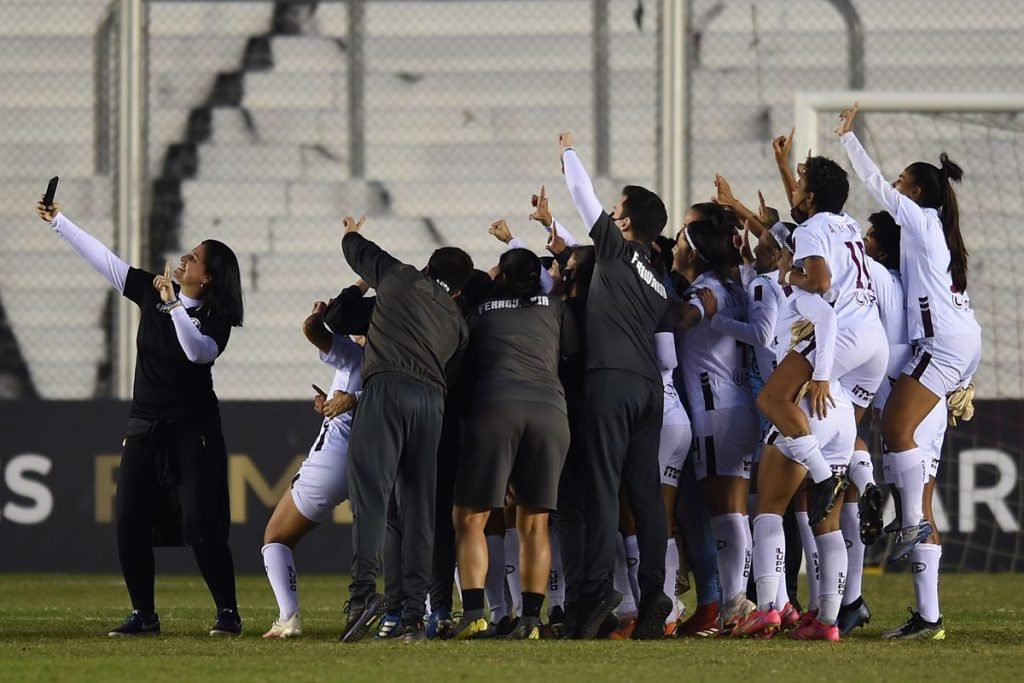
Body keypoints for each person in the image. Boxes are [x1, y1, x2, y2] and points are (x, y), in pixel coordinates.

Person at [35, 198, 244, 637]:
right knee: (129, 520)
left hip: (193, 430)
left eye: (195, 257)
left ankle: (228, 611)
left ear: (207, 277)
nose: (184, 257)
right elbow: (105, 261)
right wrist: (59, 222)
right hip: (145, 423)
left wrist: (172, 306)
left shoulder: (215, 317)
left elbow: (197, 353)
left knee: (201, 526)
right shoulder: (153, 289)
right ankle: (144, 614)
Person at [839, 105, 978, 639]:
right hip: (957, 346)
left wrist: (849, 141)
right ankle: (928, 617)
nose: (895, 187)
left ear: (916, 193)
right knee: (913, 464)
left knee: (895, 430)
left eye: (903, 182)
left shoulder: (919, 219)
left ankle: (908, 517)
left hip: (940, 346)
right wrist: (967, 378)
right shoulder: (938, 231)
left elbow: (875, 186)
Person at [559, 131, 675, 640]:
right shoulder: (658, 276)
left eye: (616, 209)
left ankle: (595, 591)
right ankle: (654, 592)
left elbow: (583, 197)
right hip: (650, 390)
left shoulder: (616, 252)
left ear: (624, 223)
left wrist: (568, 152)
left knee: (603, 487)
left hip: (609, 379)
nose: (609, 212)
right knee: (646, 495)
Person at [338, 215, 474, 644]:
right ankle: (415, 616)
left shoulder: (399, 277)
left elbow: (355, 252)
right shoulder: (458, 323)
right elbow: (452, 372)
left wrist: (350, 231)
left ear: (428, 266)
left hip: (387, 390)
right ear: (458, 289)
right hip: (431, 403)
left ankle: (362, 598)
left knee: (372, 498)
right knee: (418, 511)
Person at [451, 248, 578, 640]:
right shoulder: (556, 308)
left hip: (494, 410)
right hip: (549, 413)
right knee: (535, 523)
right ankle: (530, 621)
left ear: (502, 276)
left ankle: (474, 614)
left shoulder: (482, 312)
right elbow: (571, 355)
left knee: (470, 519)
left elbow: (464, 365)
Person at [260, 291, 365, 639]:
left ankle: (288, 617)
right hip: (381, 459)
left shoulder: (353, 354)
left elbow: (310, 328)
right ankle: (431, 612)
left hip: (335, 460)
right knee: (417, 538)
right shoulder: (401, 357)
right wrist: (331, 405)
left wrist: (320, 313)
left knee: (276, 537)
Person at [672, 219, 760, 633]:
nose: (673, 247)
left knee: (724, 513)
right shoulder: (736, 288)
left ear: (693, 252)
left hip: (714, 410)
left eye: (678, 242)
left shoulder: (705, 289)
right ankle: (736, 603)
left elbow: (688, 318)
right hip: (739, 404)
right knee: (735, 511)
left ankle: (734, 604)